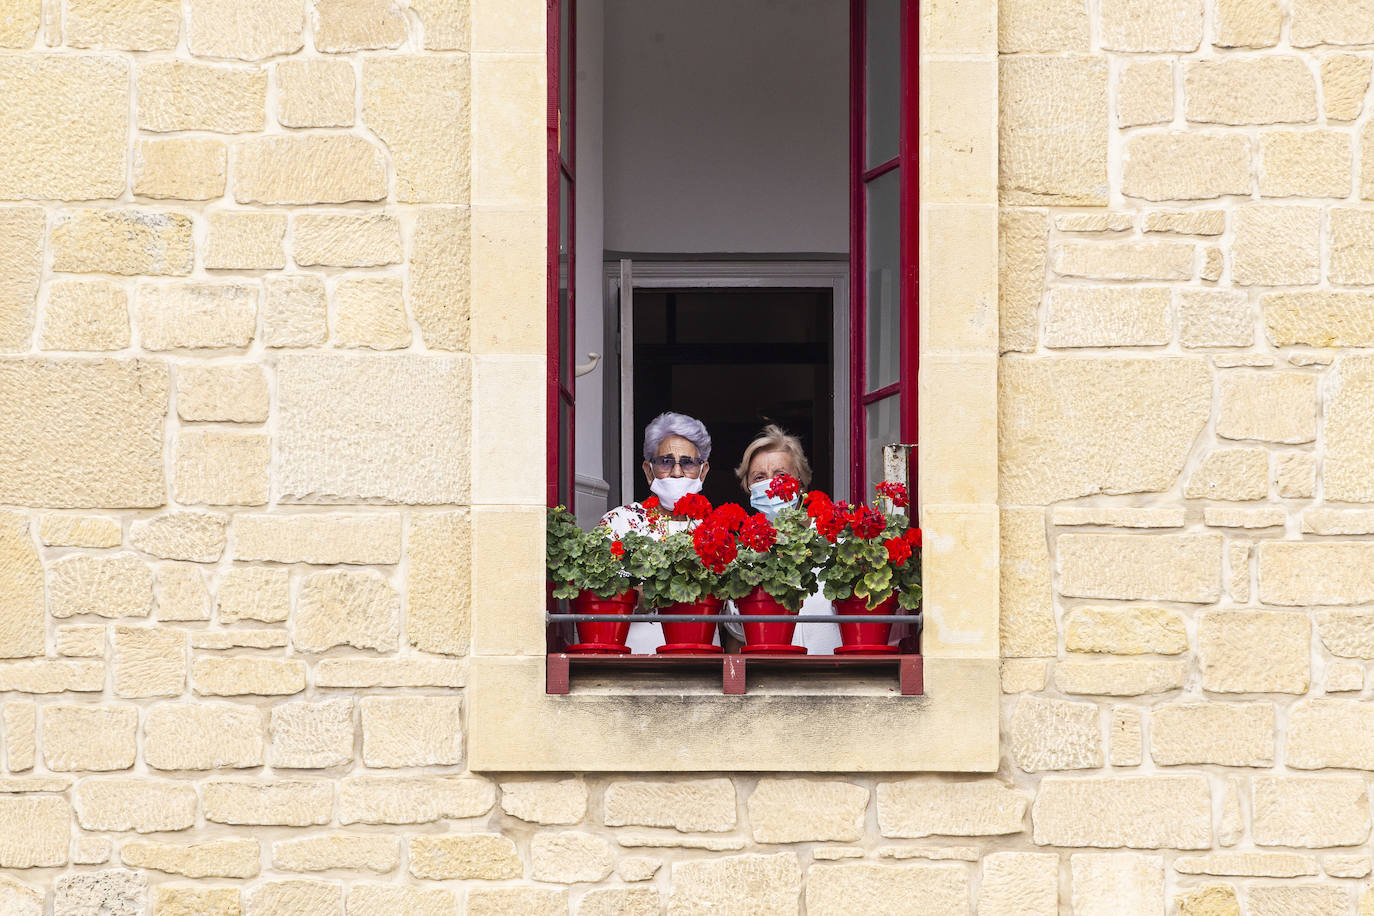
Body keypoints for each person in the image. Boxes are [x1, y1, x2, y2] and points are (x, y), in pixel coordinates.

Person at [601, 412, 719, 653]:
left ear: (703, 471)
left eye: (687, 462)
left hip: (702, 661)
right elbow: (602, 594)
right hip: (633, 661)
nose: (676, 472)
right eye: (666, 461)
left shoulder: (716, 528)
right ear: (648, 470)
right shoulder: (621, 522)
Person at [728, 424, 841, 654]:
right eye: (759, 477)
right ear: (748, 488)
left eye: (781, 475)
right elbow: (738, 640)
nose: (771, 483)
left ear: (800, 481)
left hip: (831, 677)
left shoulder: (833, 544)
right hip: (768, 682)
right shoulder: (741, 558)